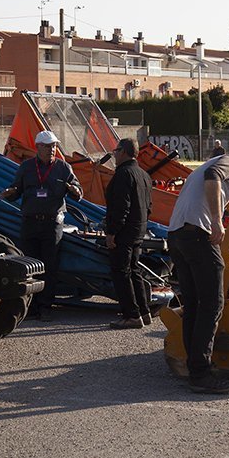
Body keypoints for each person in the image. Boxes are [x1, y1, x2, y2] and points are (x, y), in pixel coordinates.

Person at [167, 154, 229, 394]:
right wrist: (217, 220)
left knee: (193, 304)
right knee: (213, 303)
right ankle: (201, 374)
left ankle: (193, 366)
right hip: (197, 234)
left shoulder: (201, 168)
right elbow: (213, 177)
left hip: (176, 236)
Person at [0, 130, 83, 321]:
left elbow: (79, 193)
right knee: (29, 265)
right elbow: (16, 190)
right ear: (38, 147)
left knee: (49, 266)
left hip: (52, 223)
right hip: (30, 222)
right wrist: (9, 193)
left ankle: (45, 306)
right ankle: (31, 306)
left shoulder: (63, 168)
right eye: (47, 146)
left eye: (54, 146)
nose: (52, 149)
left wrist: (73, 190)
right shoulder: (26, 167)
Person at [104, 138, 154, 329]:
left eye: (116, 151)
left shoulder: (123, 174)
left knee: (121, 272)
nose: (114, 154)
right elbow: (149, 206)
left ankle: (131, 315)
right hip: (139, 229)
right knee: (134, 270)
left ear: (123, 151)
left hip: (124, 232)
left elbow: (120, 207)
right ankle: (144, 311)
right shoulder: (143, 175)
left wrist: (112, 232)